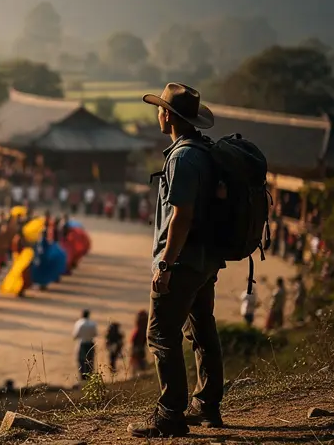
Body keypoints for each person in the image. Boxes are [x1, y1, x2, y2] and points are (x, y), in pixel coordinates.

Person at [130, 83, 224, 438]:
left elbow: (181, 216)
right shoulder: (203, 149)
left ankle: (171, 414)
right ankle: (208, 405)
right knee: (202, 328)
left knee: (161, 335)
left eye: (159, 109)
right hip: (206, 259)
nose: (157, 113)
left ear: (167, 115)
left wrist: (165, 265)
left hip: (182, 261)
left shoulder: (183, 157)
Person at [72, 309, 98, 382]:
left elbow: (75, 335)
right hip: (90, 344)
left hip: (82, 344)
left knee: (81, 361)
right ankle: (89, 378)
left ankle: (82, 378)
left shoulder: (79, 323)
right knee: (90, 361)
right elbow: (95, 334)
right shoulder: (93, 324)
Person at [129, 310, 148, 378]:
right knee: (140, 361)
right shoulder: (145, 328)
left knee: (137, 361)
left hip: (137, 347)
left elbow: (134, 340)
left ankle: (136, 376)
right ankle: (140, 374)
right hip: (141, 347)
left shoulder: (139, 330)